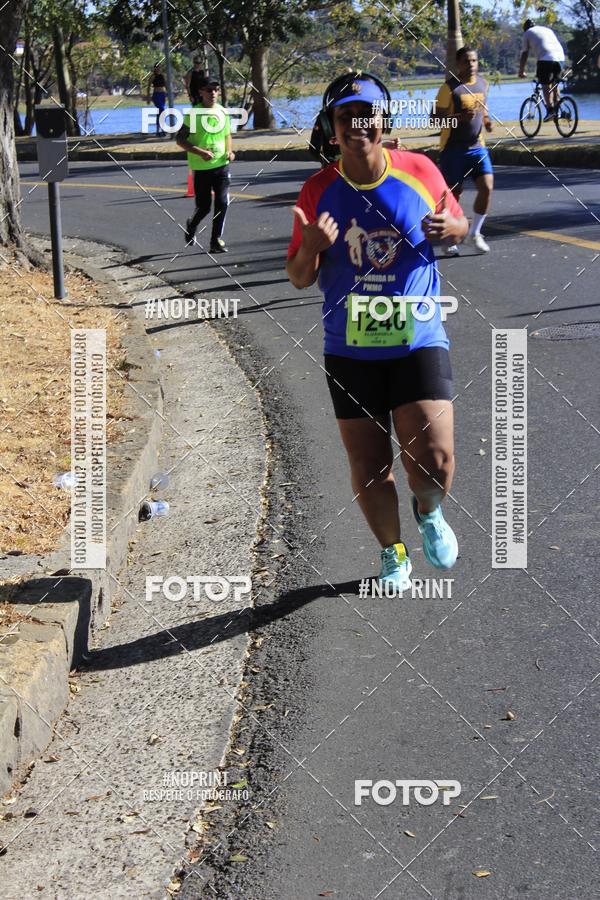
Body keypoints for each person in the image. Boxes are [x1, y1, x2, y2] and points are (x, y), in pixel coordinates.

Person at [286, 72, 468, 590]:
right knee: (369, 463)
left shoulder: (420, 169)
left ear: (383, 119)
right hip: (351, 349)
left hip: (418, 339)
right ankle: (393, 552)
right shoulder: (318, 190)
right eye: (345, 115)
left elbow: (457, 223)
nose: (357, 124)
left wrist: (452, 228)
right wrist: (310, 248)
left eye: (366, 113)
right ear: (331, 126)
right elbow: (299, 277)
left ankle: (428, 509)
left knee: (434, 460)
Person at [432, 46, 494, 256]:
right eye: (466, 61)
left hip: (477, 148)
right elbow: (435, 119)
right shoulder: (449, 88)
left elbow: (483, 109)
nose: (471, 65)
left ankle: (474, 233)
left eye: (474, 61)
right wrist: (459, 117)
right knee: (453, 195)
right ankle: (449, 237)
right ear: (458, 64)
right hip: (453, 150)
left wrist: (487, 122)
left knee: (487, 187)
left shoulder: (483, 84)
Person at [176, 76, 235, 253]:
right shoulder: (194, 114)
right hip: (201, 168)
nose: (213, 93)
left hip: (221, 165)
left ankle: (215, 240)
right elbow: (180, 140)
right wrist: (201, 152)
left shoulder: (222, 111)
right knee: (204, 208)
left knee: (222, 203)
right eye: (209, 90)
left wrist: (230, 151)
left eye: (216, 90)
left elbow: (227, 135)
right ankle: (192, 225)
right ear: (201, 92)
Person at [519, 19, 566, 122]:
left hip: (546, 59)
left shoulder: (527, 33)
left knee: (545, 84)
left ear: (525, 28)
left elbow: (524, 53)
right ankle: (557, 108)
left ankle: (550, 111)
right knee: (554, 84)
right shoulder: (546, 30)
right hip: (561, 58)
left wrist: (521, 70)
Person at [147, 63, 167, 136]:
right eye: (157, 67)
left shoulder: (162, 76)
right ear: (155, 68)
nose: (159, 68)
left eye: (160, 67)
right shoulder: (153, 76)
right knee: (162, 110)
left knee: (161, 113)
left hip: (162, 95)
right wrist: (148, 97)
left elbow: (166, 85)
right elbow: (148, 87)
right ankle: (161, 130)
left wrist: (167, 94)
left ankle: (159, 131)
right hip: (156, 95)